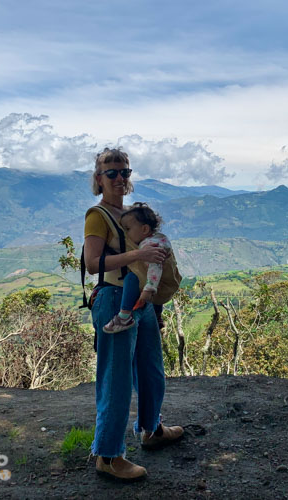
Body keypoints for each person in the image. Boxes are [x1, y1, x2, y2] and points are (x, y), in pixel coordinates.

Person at [83, 148, 184, 481]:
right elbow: (92, 263)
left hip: (140, 301)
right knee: (117, 379)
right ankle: (108, 456)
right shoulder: (97, 215)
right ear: (99, 179)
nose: (119, 178)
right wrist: (138, 253)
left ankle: (151, 429)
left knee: (151, 368)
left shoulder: (128, 214)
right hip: (114, 298)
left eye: (124, 172)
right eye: (111, 173)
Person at [102, 202, 170, 334]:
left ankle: (124, 316)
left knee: (131, 278)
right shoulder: (160, 239)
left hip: (150, 284)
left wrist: (149, 289)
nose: (126, 234)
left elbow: (155, 267)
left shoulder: (149, 245)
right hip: (161, 288)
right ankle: (158, 315)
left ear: (144, 229)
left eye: (128, 229)